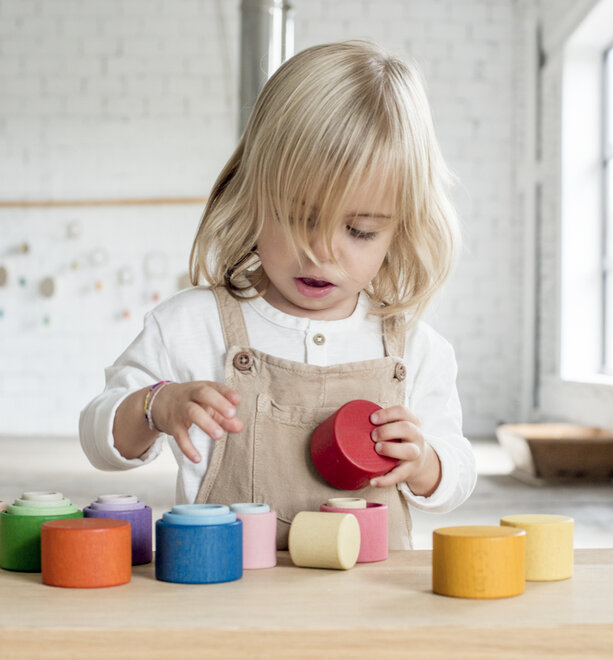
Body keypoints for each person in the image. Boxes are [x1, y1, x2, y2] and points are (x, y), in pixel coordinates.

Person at [80, 41, 477, 550]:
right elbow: (99, 440)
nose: (321, 254)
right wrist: (155, 406)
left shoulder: (414, 350)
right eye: (298, 218)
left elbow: (458, 475)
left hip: (368, 611)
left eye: (358, 230)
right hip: (229, 598)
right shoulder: (191, 326)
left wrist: (425, 464)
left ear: (400, 229)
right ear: (253, 195)